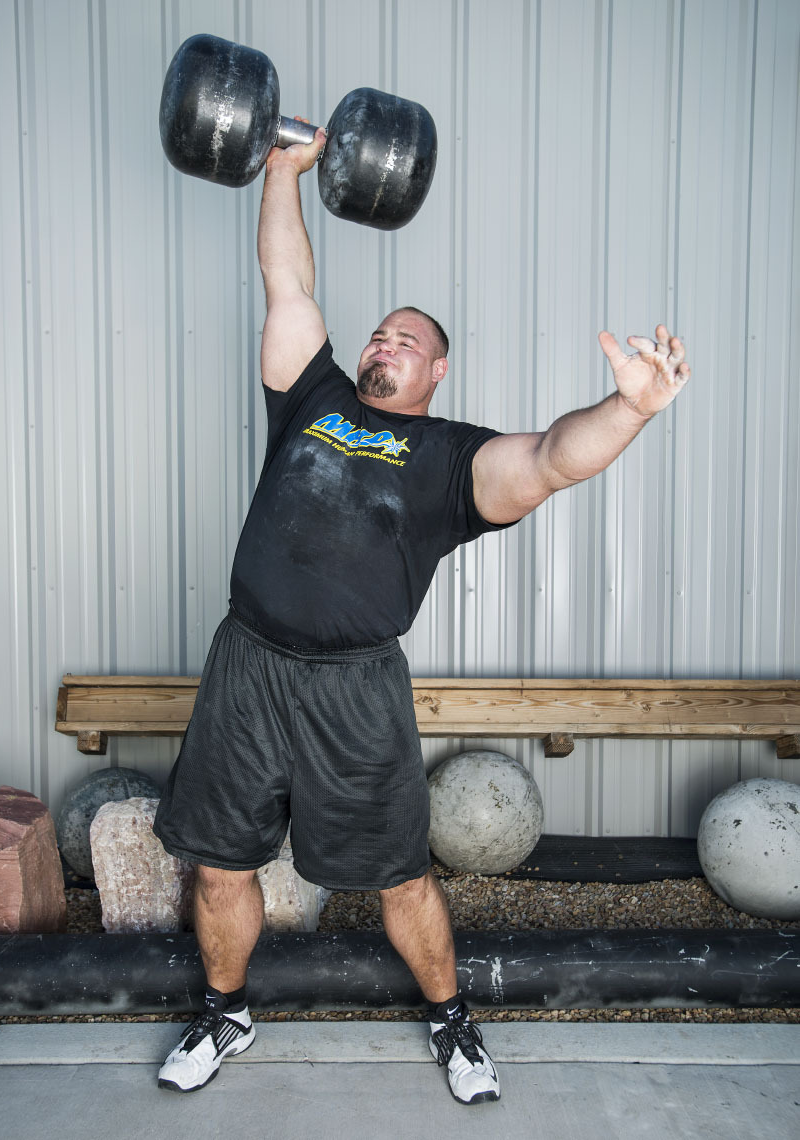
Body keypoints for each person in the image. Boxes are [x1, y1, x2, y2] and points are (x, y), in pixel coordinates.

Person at [153, 123, 691, 1105]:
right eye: (378, 333)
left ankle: (451, 1024)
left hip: (355, 690)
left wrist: (629, 411)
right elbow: (288, 282)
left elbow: (552, 461)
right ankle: (223, 1011)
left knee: (399, 875)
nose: (383, 342)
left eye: (407, 339)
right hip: (248, 664)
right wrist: (283, 171)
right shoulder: (308, 401)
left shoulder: (450, 455)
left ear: (435, 370)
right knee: (222, 866)